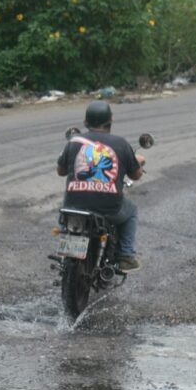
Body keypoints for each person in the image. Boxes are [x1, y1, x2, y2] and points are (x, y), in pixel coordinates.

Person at [57, 100, 145, 272]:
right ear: (110, 121)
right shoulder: (121, 143)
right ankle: (126, 256)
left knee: (66, 211)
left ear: (86, 123)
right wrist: (139, 162)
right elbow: (136, 175)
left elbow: (60, 171)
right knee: (131, 211)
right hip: (109, 208)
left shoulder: (74, 142)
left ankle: (66, 243)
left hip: (74, 205)